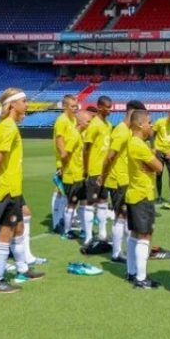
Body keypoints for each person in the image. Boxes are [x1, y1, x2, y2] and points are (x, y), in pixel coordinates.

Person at [0, 88, 45, 293]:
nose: (27, 105)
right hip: (7, 189)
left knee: (18, 228)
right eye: (24, 101)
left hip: (10, 188)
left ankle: (22, 269)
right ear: (12, 105)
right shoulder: (8, 128)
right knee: (6, 232)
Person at [98, 100, 147, 265]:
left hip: (125, 178)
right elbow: (110, 156)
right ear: (131, 112)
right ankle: (116, 253)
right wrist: (103, 176)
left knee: (124, 216)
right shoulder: (121, 131)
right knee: (121, 215)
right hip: (119, 179)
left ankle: (122, 250)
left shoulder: (126, 131)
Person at [125, 110, 164, 289]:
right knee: (144, 236)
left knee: (135, 234)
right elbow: (159, 167)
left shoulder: (134, 142)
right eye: (149, 122)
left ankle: (132, 272)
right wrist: (152, 155)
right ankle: (141, 278)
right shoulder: (139, 145)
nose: (152, 125)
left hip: (135, 193)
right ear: (140, 124)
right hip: (142, 195)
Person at [83, 95, 113, 245]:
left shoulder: (108, 125)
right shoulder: (94, 125)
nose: (110, 110)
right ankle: (88, 236)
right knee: (90, 203)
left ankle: (102, 233)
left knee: (103, 202)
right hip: (94, 170)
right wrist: (86, 169)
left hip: (105, 171)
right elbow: (86, 148)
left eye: (110, 106)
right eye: (108, 107)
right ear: (100, 107)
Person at [61, 111, 92, 241]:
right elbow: (65, 154)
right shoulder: (73, 134)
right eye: (88, 121)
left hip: (80, 175)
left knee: (84, 202)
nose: (89, 124)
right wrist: (65, 168)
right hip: (73, 176)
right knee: (72, 204)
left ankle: (84, 230)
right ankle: (66, 232)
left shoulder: (79, 134)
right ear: (79, 121)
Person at [52, 94, 78, 234]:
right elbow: (59, 140)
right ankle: (57, 221)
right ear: (65, 107)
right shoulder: (61, 120)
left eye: (76, 106)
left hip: (72, 161)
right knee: (60, 190)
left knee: (66, 192)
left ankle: (63, 218)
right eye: (73, 106)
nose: (76, 109)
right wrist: (62, 160)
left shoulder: (72, 120)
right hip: (63, 161)